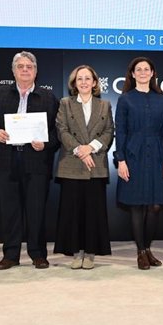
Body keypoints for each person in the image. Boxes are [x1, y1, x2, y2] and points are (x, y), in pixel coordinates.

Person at [0, 51, 59, 270]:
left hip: (36, 162)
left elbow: (57, 131)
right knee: (9, 210)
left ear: (36, 71)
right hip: (6, 160)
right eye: (21, 66)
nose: (25, 70)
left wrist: (46, 143)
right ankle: (11, 254)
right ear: (13, 70)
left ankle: (38, 254)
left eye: (29, 66)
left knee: (36, 210)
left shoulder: (47, 97)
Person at [115, 57, 163, 270]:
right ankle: (140, 251)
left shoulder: (162, 100)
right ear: (132, 74)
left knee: (155, 206)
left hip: (157, 154)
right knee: (137, 206)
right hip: (133, 155)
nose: (142, 72)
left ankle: (148, 248)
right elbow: (120, 131)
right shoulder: (125, 100)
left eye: (146, 69)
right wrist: (120, 160)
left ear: (152, 73)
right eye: (138, 69)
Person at [54, 65, 114, 270]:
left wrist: (91, 148)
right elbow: (61, 130)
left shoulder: (104, 105)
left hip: (95, 165)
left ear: (95, 82)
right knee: (73, 213)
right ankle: (76, 252)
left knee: (93, 213)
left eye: (88, 78)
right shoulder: (65, 104)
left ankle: (90, 253)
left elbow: (108, 132)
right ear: (74, 83)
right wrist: (80, 150)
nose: (84, 82)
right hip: (72, 164)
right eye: (80, 79)